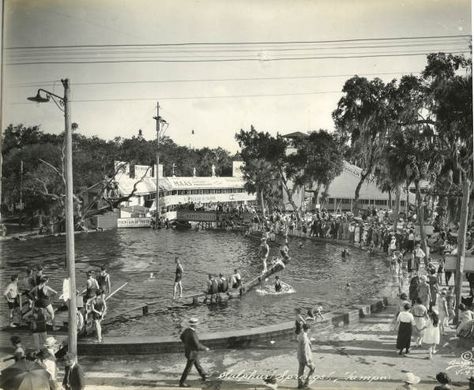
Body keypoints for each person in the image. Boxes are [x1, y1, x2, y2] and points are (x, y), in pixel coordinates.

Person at [179, 317, 209, 387]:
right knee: (188, 368)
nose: (197, 325)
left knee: (197, 364)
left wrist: (187, 344)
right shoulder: (192, 333)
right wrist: (205, 348)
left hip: (189, 351)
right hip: (192, 353)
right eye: (197, 324)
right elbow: (197, 345)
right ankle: (181, 382)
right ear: (195, 325)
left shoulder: (186, 330)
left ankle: (204, 375)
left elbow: (181, 337)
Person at [296, 323, 315, 389]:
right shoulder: (304, 337)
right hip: (304, 356)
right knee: (313, 368)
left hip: (300, 356)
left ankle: (300, 384)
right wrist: (306, 358)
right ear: (308, 329)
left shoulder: (301, 335)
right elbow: (304, 349)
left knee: (301, 370)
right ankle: (306, 383)